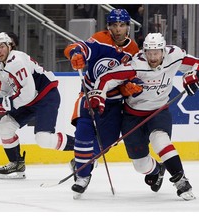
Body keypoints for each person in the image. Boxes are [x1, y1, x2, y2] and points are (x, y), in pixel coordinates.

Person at [87, 32, 199, 200]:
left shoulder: (174, 56)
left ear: (163, 51)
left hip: (158, 111)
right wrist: (98, 95)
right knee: (140, 165)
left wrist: (193, 76)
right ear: (144, 51)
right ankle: (158, 170)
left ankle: (181, 181)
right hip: (132, 116)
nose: (153, 57)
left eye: (156, 53)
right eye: (149, 53)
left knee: (160, 139)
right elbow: (107, 78)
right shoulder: (136, 64)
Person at [0, 32, 75, 179]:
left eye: (2, 46)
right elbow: (3, 92)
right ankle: (16, 163)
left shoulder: (16, 61)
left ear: (9, 46)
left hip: (45, 96)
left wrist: (5, 104)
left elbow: (29, 92)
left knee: (43, 138)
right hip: (29, 100)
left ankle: (84, 150)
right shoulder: (2, 69)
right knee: (5, 126)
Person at [64, 9, 140, 198]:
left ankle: (83, 163)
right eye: (114, 25)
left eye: (121, 25)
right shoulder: (100, 39)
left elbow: (131, 78)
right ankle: (82, 176)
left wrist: (129, 88)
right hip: (89, 95)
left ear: (128, 27)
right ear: (108, 26)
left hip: (114, 102)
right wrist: (75, 54)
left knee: (107, 142)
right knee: (83, 133)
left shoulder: (134, 51)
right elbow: (77, 47)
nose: (118, 29)